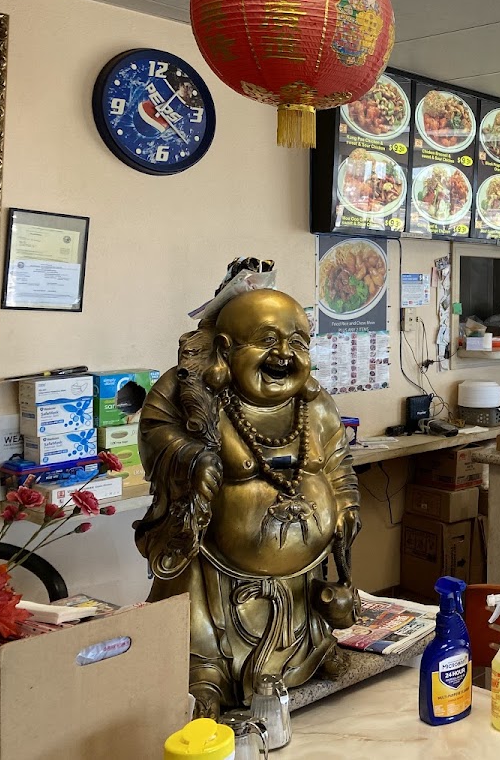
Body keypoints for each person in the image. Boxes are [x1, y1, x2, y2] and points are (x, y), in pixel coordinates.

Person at [135, 289, 360, 717]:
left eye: (298, 342)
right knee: (197, 637)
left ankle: (308, 655)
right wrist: (193, 460)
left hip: (301, 575)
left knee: (306, 629)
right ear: (225, 349)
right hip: (214, 573)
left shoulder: (313, 405)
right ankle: (206, 676)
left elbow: (337, 461)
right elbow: (155, 434)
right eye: (267, 339)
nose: (284, 354)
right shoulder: (192, 392)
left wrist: (345, 504)